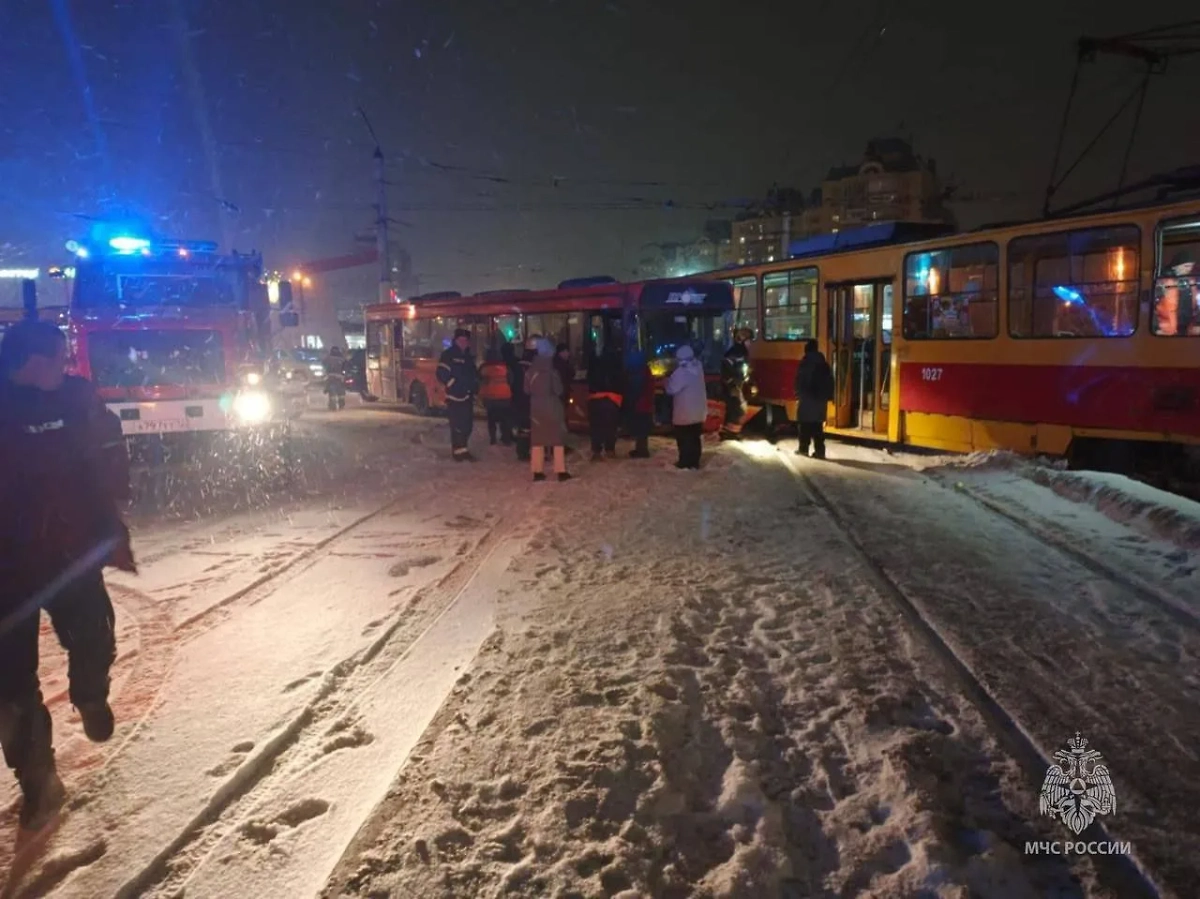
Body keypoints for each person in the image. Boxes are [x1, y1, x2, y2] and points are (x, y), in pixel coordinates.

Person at [0, 320, 136, 832]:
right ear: (27, 362)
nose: (67, 365)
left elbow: (106, 451)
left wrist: (111, 512)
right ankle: (38, 781)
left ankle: (90, 693)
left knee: (94, 634)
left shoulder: (76, 398)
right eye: (58, 357)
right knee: (11, 686)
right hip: (7, 568)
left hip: (69, 550)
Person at [524, 338, 572, 482]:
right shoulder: (552, 371)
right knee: (557, 440)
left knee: (538, 441)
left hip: (536, 408)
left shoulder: (530, 371)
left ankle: (537, 471)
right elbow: (558, 390)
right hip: (552, 407)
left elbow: (526, 390)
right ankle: (560, 471)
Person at [436, 328, 479, 462]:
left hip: (467, 395)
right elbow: (441, 373)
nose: (464, 342)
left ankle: (463, 449)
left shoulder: (468, 357)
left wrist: (475, 387)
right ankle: (458, 452)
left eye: (466, 340)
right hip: (454, 396)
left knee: (467, 425)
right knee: (457, 425)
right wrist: (451, 383)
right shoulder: (448, 355)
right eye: (461, 340)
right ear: (456, 341)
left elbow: (473, 375)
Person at [665, 344, 707, 470]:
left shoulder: (681, 373)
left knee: (684, 439)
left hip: (685, 413)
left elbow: (671, 389)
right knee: (695, 437)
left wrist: (666, 379)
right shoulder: (698, 367)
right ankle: (694, 461)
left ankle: (685, 463)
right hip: (698, 411)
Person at [794, 338, 834, 459]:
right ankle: (820, 452)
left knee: (805, 426)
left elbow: (799, 381)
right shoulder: (824, 364)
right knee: (817, 427)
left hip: (807, 399)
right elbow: (830, 382)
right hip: (820, 401)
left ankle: (803, 449)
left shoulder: (805, 363)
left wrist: (798, 394)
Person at [586, 341, 624, 461]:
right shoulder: (617, 365)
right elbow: (621, 381)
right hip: (612, 399)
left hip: (595, 398)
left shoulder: (595, 363)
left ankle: (596, 451)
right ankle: (610, 449)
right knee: (610, 426)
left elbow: (589, 378)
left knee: (596, 426)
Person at [478, 339, 513, 446]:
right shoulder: (505, 368)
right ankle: (506, 438)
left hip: (490, 398)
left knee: (491, 419)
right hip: (505, 397)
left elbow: (479, 380)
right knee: (505, 419)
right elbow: (511, 380)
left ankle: (493, 438)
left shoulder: (484, 368)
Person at [508, 337, 537, 462]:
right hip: (529, 399)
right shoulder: (534, 365)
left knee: (524, 427)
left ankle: (522, 451)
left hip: (518, 399)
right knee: (528, 426)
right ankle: (524, 452)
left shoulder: (518, 365)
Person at [720, 329, 753, 440]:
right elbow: (728, 368)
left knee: (737, 408)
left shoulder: (740, 351)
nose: (750, 342)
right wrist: (731, 383)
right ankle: (731, 432)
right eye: (748, 340)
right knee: (737, 408)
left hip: (737, 384)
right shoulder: (736, 352)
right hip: (733, 385)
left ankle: (730, 431)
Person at [626, 349, 655, 458]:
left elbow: (637, 389)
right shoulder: (646, 371)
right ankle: (641, 449)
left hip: (641, 404)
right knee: (642, 429)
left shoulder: (640, 373)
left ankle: (642, 450)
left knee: (641, 429)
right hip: (645, 404)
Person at [323, 345, 347, 411]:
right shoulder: (342, 359)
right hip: (340, 377)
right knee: (341, 392)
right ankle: (341, 404)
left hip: (330, 376)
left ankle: (332, 405)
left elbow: (324, 365)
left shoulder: (327, 358)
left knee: (331, 391)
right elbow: (346, 366)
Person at [553, 343, 574, 421]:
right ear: (562, 352)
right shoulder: (562, 364)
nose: (568, 354)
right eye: (567, 351)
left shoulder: (553, 362)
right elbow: (570, 374)